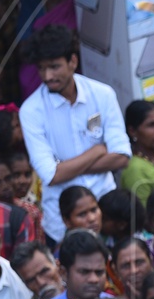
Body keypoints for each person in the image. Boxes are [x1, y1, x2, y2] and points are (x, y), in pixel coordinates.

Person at [19, 25, 130, 243]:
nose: (47, 76)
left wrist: (66, 167)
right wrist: (98, 151)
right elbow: (51, 175)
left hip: (107, 213)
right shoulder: (31, 111)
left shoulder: (102, 94)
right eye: (41, 69)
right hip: (61, 223)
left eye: (54, 67)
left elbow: (122, 157)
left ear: (73, 62)